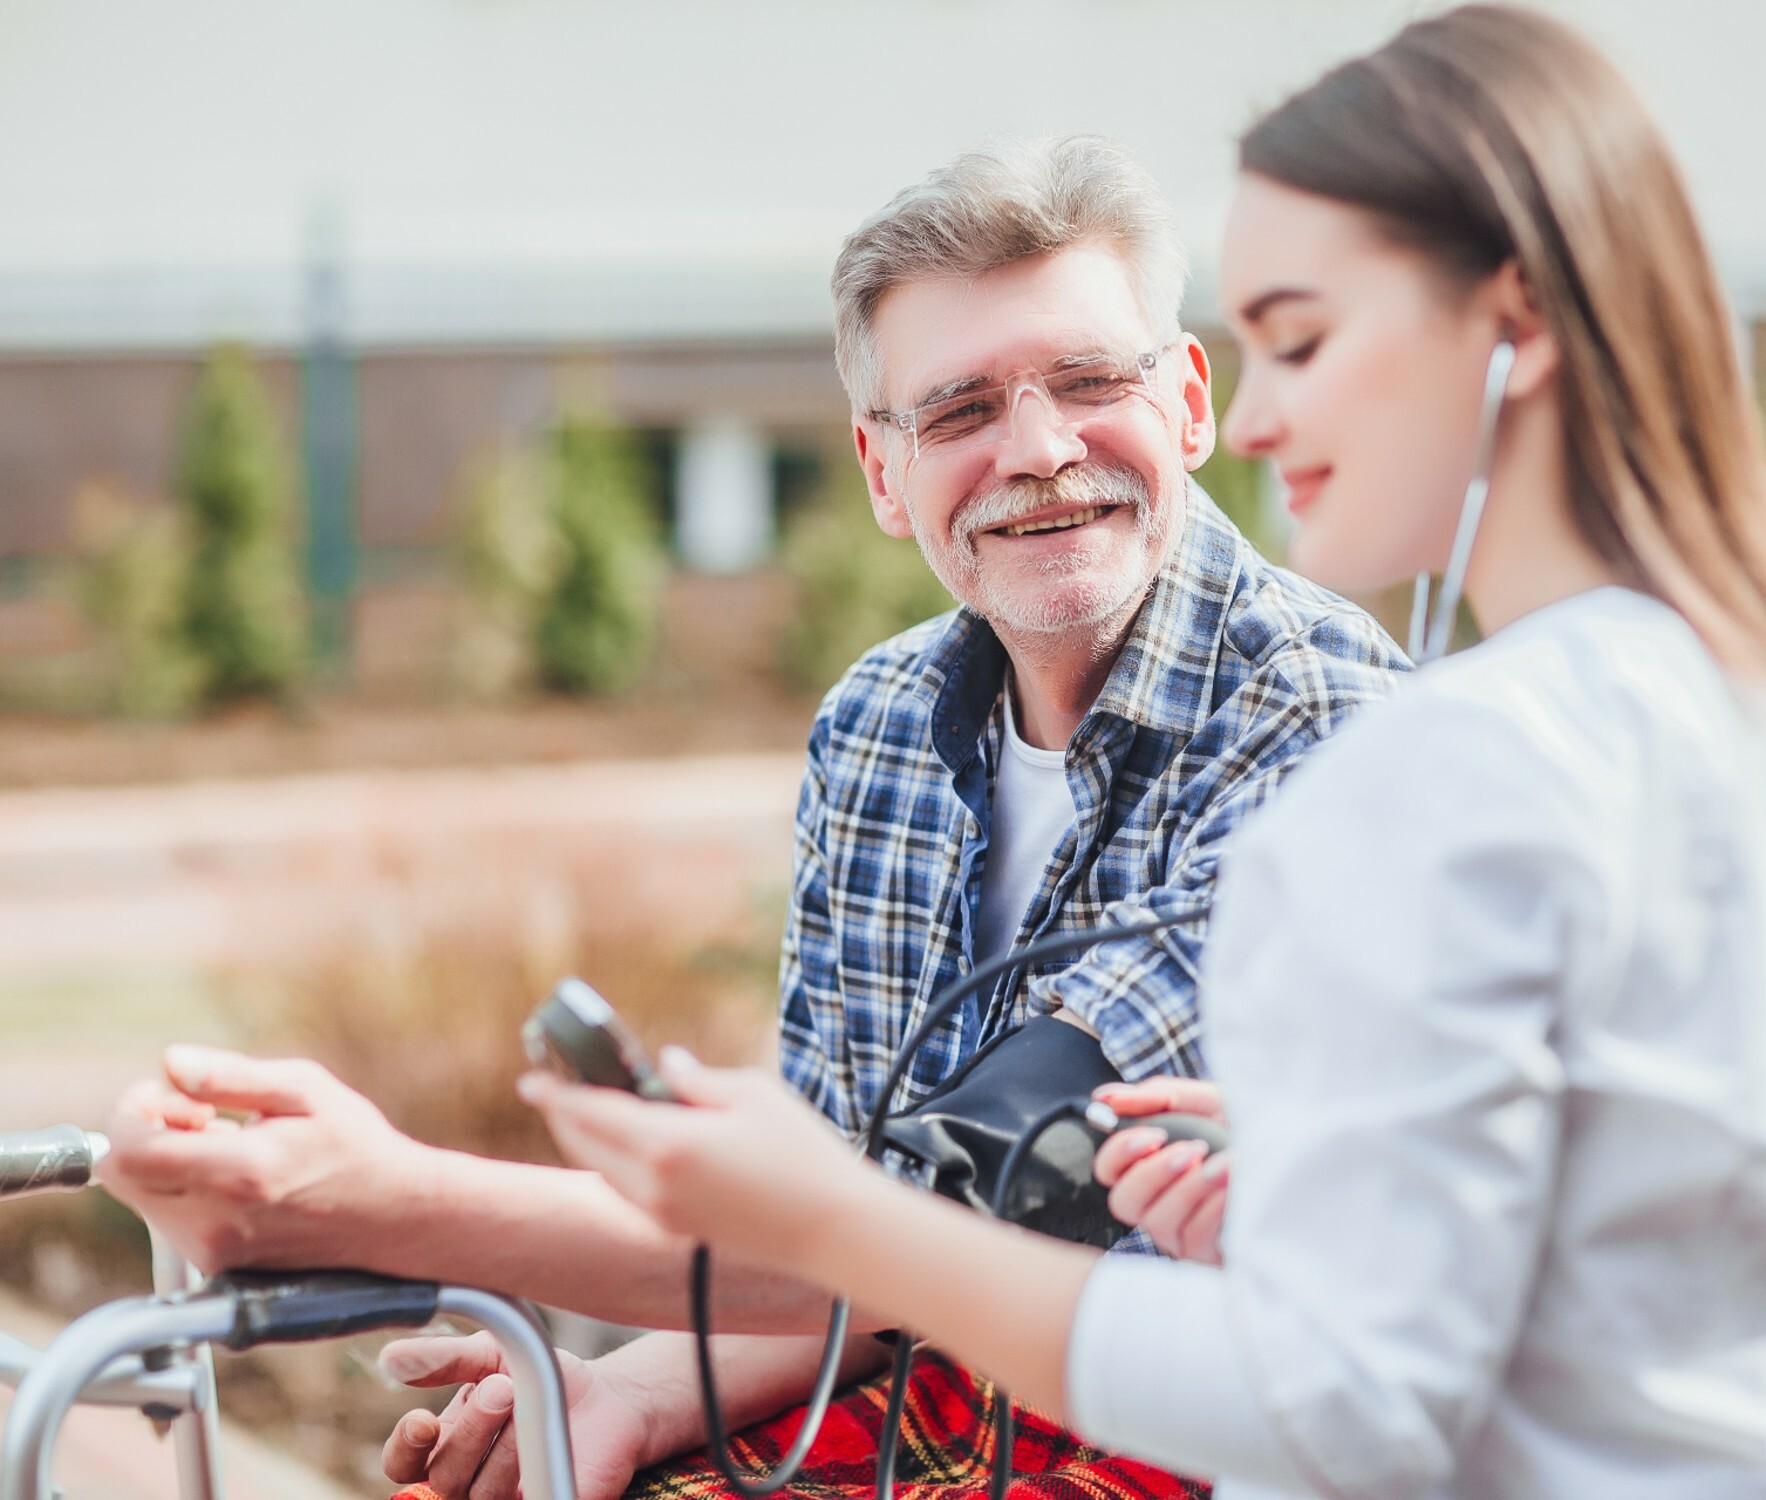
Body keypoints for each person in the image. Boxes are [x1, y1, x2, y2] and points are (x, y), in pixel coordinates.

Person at [520, 8, 1766, 1499]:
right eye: (964, 406)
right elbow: (1690, 1249)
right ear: (883, 465)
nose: (1262, 411)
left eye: (1297, 338)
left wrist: (831, 1224)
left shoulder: (1445, 761)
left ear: (1518, 326)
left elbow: (1350, 1407)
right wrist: (1308, 1191)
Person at [99, 137, 1404, 1499]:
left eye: (1088, 381)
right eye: (959, 410)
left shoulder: (1318, 714)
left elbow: (964, 1196)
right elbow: (849, 1230)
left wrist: (387, 1201)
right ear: (881, 473)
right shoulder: (879, 725)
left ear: (1189, 400)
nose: (1040, 449)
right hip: (952, 1371)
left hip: (1212, 1418)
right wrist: (631, 1395)